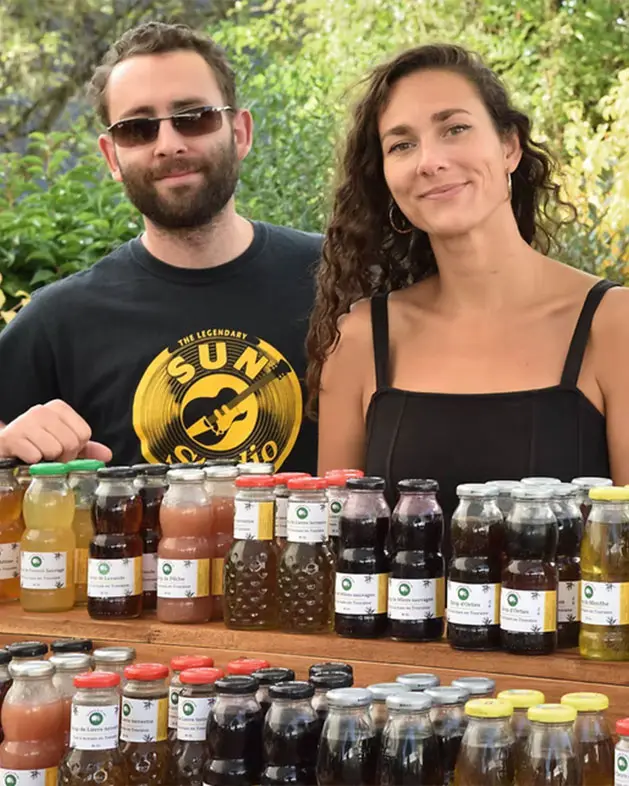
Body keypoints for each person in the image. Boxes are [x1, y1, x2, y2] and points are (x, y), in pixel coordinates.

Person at [307, 43, 629, 531]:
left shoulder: (613, 323)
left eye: (454, 128)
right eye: (401, 145)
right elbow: (335, 548)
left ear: (509, 147)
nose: (429, 161)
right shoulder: (360, 339)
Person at [0, 22, 321, 472]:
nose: (169, 145)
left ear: (240, 133)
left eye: (194, 117)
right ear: (111, 156)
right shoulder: (60, 320)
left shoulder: (335, 277)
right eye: (138, 129)